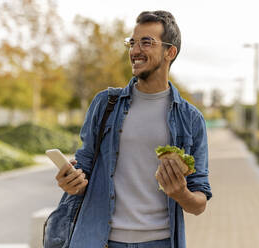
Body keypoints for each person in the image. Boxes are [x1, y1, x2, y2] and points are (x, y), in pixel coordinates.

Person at [55, 10, 212, 248]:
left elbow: (199, 202)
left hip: (160, 242)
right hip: (100, 239)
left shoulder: (191, 119)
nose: (135, 51)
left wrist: (181, 193)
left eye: (146, 42)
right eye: (132, 42)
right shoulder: (105, 104)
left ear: (170, 52)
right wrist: (72, 182)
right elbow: (84, 167)